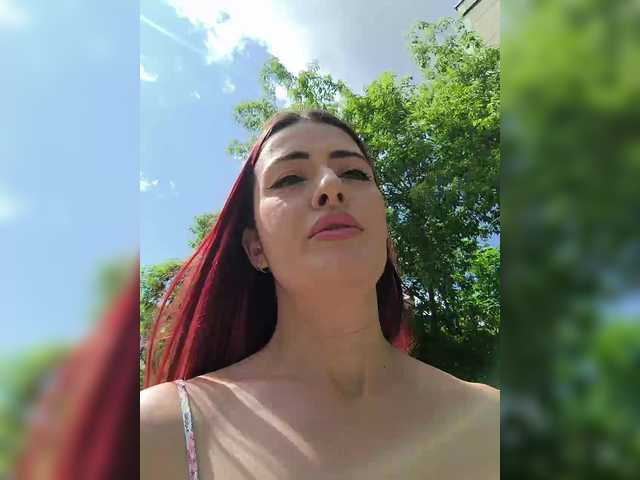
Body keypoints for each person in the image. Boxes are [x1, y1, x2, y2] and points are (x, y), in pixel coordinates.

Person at [140, 109, 499, 479]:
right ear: (256, 248)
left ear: (383, 227)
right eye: (290, 178)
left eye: (354, 173)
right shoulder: (156, 433)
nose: (331, 185)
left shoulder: (495, 422)